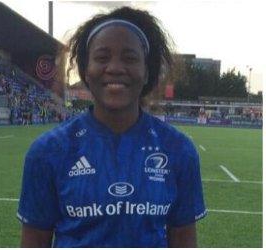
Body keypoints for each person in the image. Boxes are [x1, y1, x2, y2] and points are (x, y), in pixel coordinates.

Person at [17, 7, 206, 247]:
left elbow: (183, 240)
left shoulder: (179, 150)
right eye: (102, 57)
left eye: (129, 58)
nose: (115, 68)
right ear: (86, 70)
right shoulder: (47, 151)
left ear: (147, 71)